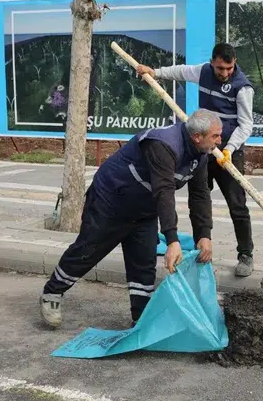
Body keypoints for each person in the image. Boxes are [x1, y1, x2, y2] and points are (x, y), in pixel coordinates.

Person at [39, 109, 222, 328]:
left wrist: (204, 235)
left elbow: (200, 194)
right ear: (197, 136)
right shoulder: (163, 145)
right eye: (215, 136)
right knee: (87, 251)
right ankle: (52, 293)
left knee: (143, 263)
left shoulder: (201, 153)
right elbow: (164, 191)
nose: (219, 141)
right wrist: (172, 240)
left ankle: (141, 319)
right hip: (111, 201)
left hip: (144, 210)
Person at [136, 43, 256, 277]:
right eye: (220, 68)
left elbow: (246, 125)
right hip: (202, 148)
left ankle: (246, 253)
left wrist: (229, 149)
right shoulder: (203, 72)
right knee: (199, 196)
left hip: (229, 150)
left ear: (235, 63)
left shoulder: (243, 89)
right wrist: (155, 73)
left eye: (229, 68)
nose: (224, 73)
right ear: (212, 62)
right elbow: (180, 71)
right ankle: (203, 245)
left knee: (237, 203)